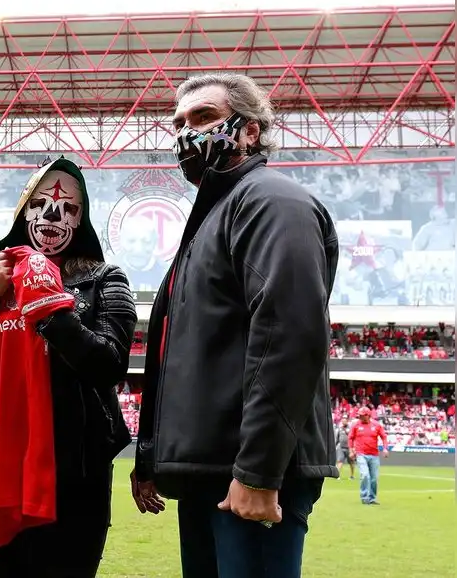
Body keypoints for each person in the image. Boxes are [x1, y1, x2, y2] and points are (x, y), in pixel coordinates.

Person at [130, 73, 339, 578]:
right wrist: (152, 458)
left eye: (203, 117)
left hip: (247, 477)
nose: (186, 132)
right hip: (210, 473)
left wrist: (259, 472)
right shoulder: (213, 217)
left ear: (249, 131)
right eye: (178, 123)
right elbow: (182, 354)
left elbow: (289, 335)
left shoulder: (271, 201)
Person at [0, 157, 137, 578]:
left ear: (82, 218)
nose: (53, 214)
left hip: (72, 473)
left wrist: (51, 312)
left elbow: (110, 365)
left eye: (69, 208)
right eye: (40, 203)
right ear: (23, 210)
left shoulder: (104, 278)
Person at [348, 406, 389, 505]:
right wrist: (351, 450)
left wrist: (385, 448)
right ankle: (364, 497)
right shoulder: (356, 425)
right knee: (365, 475)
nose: (360, 417)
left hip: (374, 454)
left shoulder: (377, 425)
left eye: (362, 415)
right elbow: (350, 438)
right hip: (361, 454)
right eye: (359, 415)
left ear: (368, 415)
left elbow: (384, 437)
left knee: (374, 478)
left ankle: (372, 498)